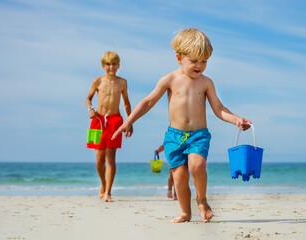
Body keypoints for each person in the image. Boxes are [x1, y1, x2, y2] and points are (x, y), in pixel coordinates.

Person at [112, 28, 251, 222]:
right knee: (179, 176)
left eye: (204, 61)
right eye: (194, 60)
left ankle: (202, 200)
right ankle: (185, 212)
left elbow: (219, 108)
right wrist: (129, 121)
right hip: (174, 137)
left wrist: (235, 119)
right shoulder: (170, 79)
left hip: (198, 135)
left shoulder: (206, 83)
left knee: (197, 165)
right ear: (179, 58)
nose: (199, 65)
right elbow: (148, 101)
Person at [86, 51, 133, 202]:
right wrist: (90, 109)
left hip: (115, 120)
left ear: (118, 65)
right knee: (99, 161)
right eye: (108, 64)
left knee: (111, 158)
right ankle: (103, 184)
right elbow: (88, 99)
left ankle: (108, 192)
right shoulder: (97, 81)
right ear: (103, 66)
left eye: (114, 64)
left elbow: (126, 103)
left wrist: (129, 122)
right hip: (97, 121)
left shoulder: (122, 82)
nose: (111, 67)